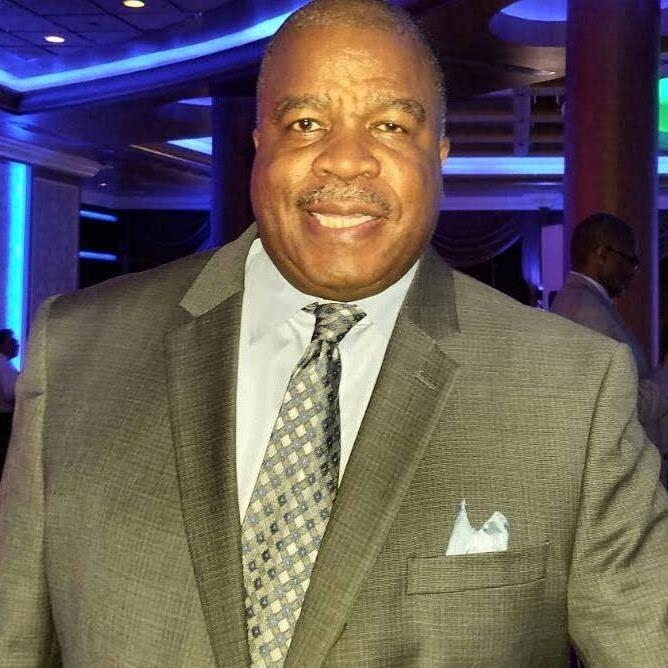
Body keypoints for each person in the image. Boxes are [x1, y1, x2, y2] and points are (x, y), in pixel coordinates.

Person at [0, 1, 666, 666]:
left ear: (439, 153)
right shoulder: (77, 351)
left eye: (390, 125)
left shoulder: (570, 389)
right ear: (259, 143)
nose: (345, 161)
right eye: (306, 123)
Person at [551, 212, 668, 480]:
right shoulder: (585, 312)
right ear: (601, 254)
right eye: (630, 260)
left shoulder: (585, 303)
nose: (634, 271)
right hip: (618, 474)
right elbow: (622, 405)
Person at [0, 328, 18, 476]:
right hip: (4, 418)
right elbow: (10, 393)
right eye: (11, 341)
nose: (17, 344)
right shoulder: (3, 364)